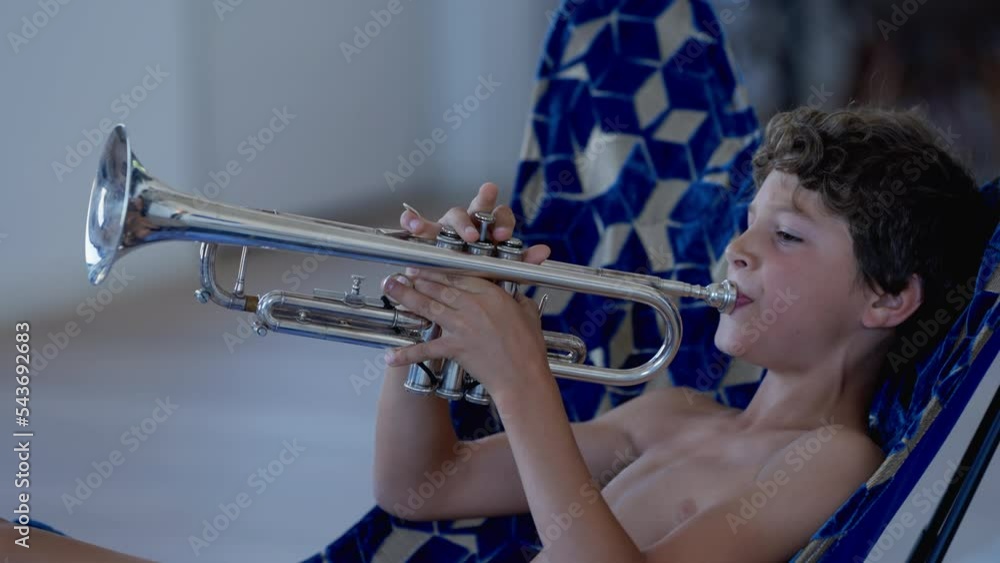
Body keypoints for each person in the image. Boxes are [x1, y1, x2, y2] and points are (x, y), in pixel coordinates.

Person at [373, 106, 996, 562]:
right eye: (749, 221)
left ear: (887, 298)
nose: (737, 247)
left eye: (786, 235)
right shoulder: (669, 415)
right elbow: (420, 486)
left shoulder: (834, 458)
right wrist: (432, 304)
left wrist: (520, 381)